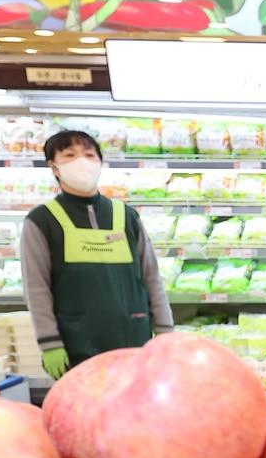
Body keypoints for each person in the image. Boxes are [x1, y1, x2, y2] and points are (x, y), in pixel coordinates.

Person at [20, 130, 173, 379]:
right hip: (76, 344)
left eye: (89, 155)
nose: (82, 162)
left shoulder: (127, 216)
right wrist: (50, 343)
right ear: (54, 167)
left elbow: (151, 278)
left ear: (100, 163)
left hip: (133, 339)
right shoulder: (42, 221)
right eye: (69, 155)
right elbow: (36, 288)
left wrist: (166, 332)